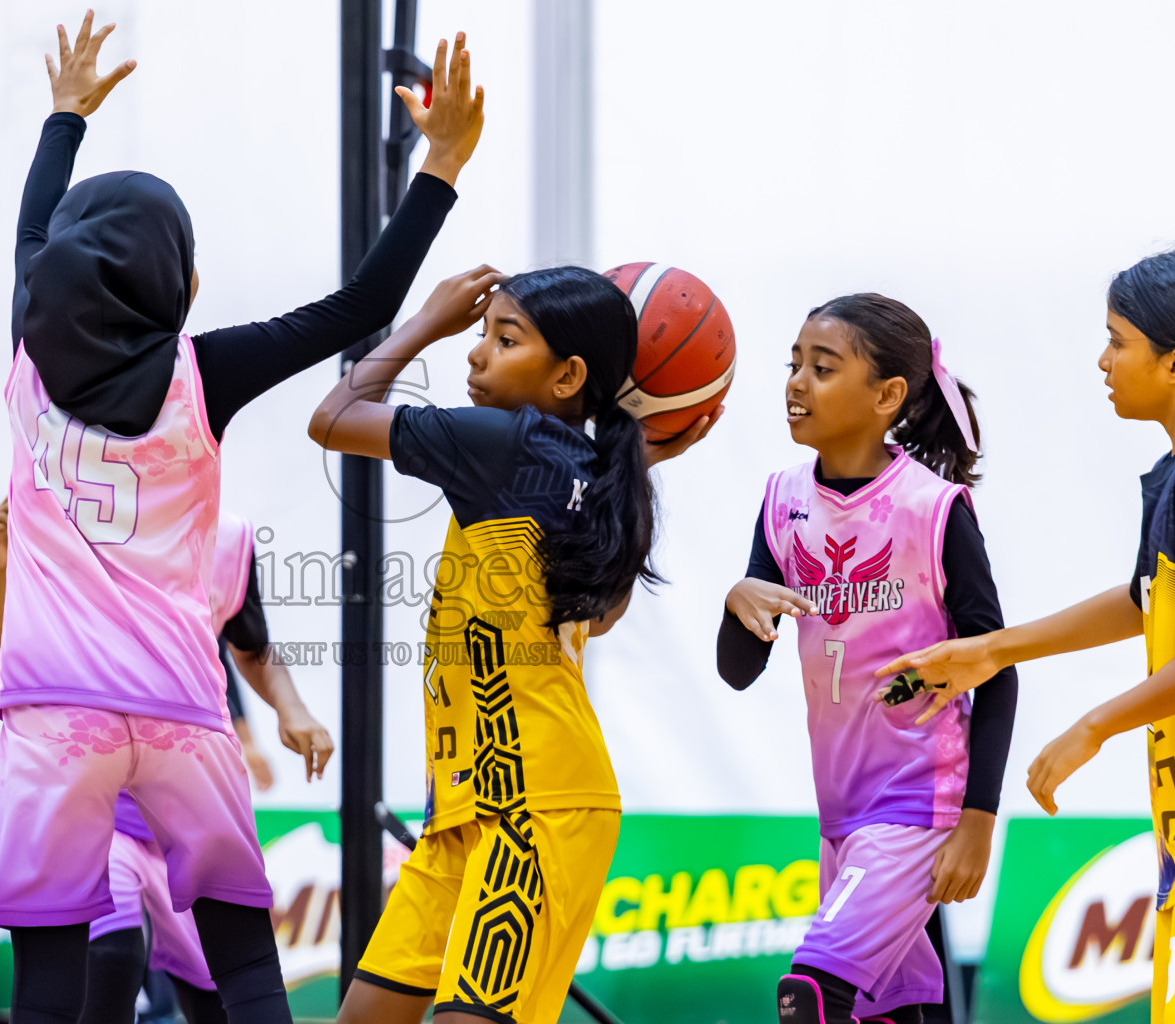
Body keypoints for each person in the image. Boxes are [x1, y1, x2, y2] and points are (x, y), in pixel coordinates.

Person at [0, 13, 483, 1024]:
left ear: (59, 275)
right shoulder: (206, 372)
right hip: (180, 708)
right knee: (245, 964)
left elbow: (30, 234)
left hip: (52, 714)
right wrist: (445, 164)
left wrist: (64, 117)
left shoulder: (27, 354)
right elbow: (360, 303)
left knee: (48, 986)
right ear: (182, 284)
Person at [311, 265, 717, 1024]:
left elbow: (333, 417)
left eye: (504, 338)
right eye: (477, 335)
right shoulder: (593, 475)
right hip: (468, 809)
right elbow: (599, 618)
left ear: (568, 375)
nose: (476, 354)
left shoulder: (498, 441)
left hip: (533, 809)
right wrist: (639, 467)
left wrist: (427, 320)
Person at [879, 249, 1175, 1020]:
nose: (1103, 361)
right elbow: (1143, 601)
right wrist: (991, 649)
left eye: (1119, 341)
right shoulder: (1167, 477)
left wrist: (1094, 724)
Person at [716, 294, 1018, 1024]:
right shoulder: (782, 501)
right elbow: (739, 669)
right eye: (793, 364)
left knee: (810, 995)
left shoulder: (933, 509)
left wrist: (977, 820)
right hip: (842, 813)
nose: (796, 382)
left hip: (921, 803)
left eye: (821, 367)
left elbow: (998, 668)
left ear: (887, 396)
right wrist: (736, 604)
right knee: (888, 1013)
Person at [0, 499, 332, 1024]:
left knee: (219, 987)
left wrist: (291, 708)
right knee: (112, 959)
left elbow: (250, 644)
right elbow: (6, 662)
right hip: (102, 808)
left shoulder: (224, 536)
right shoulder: (56, 514)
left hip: (186, 810)